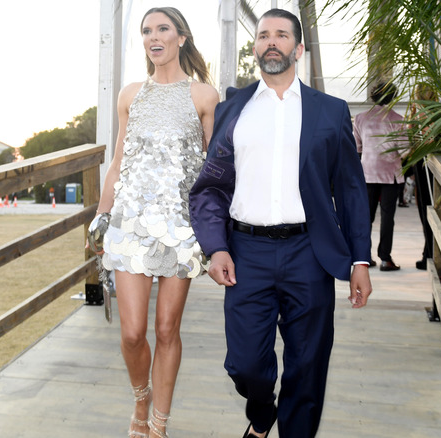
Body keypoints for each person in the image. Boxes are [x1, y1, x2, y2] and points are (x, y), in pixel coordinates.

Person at [189, 9, 372, 438]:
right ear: (255, 47)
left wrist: (360, 260)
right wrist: (216, 247)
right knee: (246, 363)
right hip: (245, 252)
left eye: (282, 35)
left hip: (309, 252)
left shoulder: (330, 111)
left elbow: (349, 189)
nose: (272, 41)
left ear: (299, 48)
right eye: (264, 35)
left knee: (307, 365)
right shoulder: (233, 107)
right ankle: (262, 412)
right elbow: (210, 187)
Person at [89, 7, 218, 438]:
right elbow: (117, 163)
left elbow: (213, 174)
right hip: (130, 223)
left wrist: (214, 233)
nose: (153, 37)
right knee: (131, 333)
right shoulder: (130, 95)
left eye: (162, 29)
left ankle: (157, 423)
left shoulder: (203, 96)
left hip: (180, 230)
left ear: (181, 37)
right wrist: (101, 216)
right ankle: (140, 399)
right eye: (146, 31)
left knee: (166, 329)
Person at [353, 82, 409, 271]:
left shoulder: (360, 119)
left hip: (367, 174)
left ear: (372, 97)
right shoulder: (398, 119)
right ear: (393, 97)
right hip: (390, 176)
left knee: (365, 218)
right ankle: (385, 259)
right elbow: (404, 151)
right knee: (387, 218)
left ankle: (364, 258)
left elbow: (357, 148)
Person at [410, 83, 436, 270]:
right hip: (428, 162)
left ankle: (430, 253)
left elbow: (415, 139)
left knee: (425, 209)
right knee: (429, 209)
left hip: (423, 163)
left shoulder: (421, 115)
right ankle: (429, 252)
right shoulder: (437, 114)